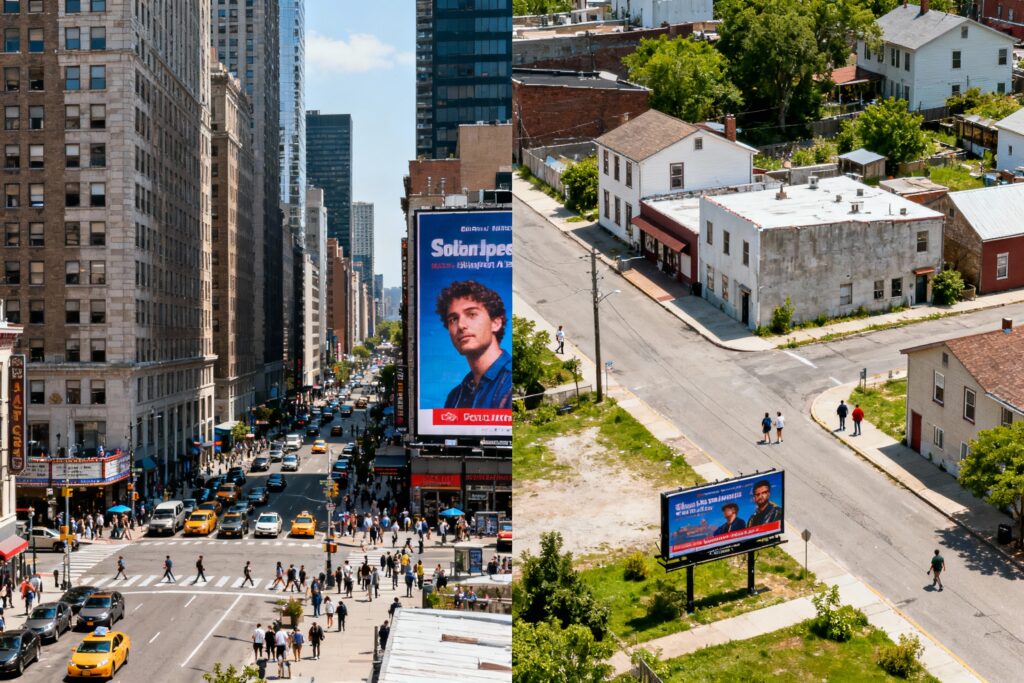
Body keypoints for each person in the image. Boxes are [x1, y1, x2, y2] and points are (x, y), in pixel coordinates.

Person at [436, 280, 512, 409]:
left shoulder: (510, 382)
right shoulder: (455, 397)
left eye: (471, 314)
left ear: (495, 323)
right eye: (453, 319)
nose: (460, 325)